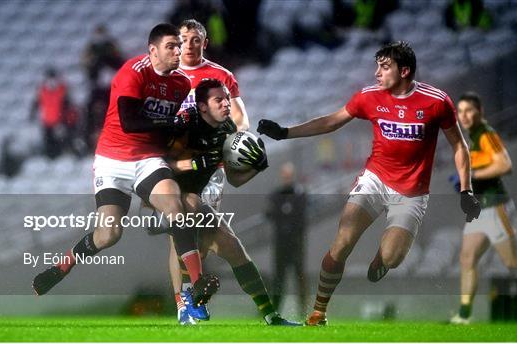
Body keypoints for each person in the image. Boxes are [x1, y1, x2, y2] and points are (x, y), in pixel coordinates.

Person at [257, 41, 482, 326]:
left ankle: (381, 258)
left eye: (384, 67)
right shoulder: (369, 97)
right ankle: (318, 312)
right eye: (377, 65)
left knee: (393, 258)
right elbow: (332, 121)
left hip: (411, 193)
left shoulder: (436, 101)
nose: (376, 72)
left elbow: (459, 146)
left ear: (405, 71)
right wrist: (285, 132)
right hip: (374, 180)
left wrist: (466, 190)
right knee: (342, 243)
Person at [32, 23, 219, 307]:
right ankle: (63, 266)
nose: (178, 51)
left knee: (175, 206)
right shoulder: (133, 71)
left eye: (179, 46)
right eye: (171, 46)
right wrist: (171, 123)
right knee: (109, 235)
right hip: (112, 161)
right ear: (153, 50)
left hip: (147, 160)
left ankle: (197, 283)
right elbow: (131, 122)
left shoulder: (181, 83)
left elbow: (170, 132)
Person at [161, 78, 299, 326]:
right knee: (191, 209)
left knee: (235, 249)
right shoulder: (187, 123)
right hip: (171, 194)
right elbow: (162, 163)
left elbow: (235, 180)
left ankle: (270, 315)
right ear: (202, 106)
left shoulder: (226, 128)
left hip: (196, 197)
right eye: (219, 100)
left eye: (227, 98)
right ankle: (187, 304)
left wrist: (258, 166)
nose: (226, 103)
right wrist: (193, 164)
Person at [167, 18, 258, 323]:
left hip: (210, 167)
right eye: (184, 40)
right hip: (176, 164)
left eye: (195, 40)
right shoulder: (167, 75)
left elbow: (241, 119)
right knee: (177, 233)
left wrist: (222, 139)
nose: (189, 45)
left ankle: (195, 297)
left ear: (204, 43)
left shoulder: (221, 75)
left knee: (201, 230)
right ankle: (183, 306)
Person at [450, 92, 517, 325]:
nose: (465, 116)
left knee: (512, 261)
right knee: (467, 258)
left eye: (469, 110)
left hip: (495, 205)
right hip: (480, 208)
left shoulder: (486, 134)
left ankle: (463, 314)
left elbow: (505, 164)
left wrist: (472, 175)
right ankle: (463, 315)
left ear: (480, 112)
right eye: (460, 111)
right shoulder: (472, 137)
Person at [266, 162, 308, 315]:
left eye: (288, 175)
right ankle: (276, 308)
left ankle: (303, 309)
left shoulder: (300, 194)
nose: (286, 178)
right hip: (280, 244)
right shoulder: (276, 195)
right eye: (284, 175)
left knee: (300, 276)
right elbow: (270, 213)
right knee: (279, 278)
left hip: (296, 243)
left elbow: (299, 217)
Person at [30, 68, 73, 158]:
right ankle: (50, 157)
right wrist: (32, 114)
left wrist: (65, 119)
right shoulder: (42, 91)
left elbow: (67, 104)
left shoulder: (61, 90)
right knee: (49, 142)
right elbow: (36, 103)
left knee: (60, 141)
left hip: (60, 122)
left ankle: (61, 156)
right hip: (47, 122)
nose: (51, 82)